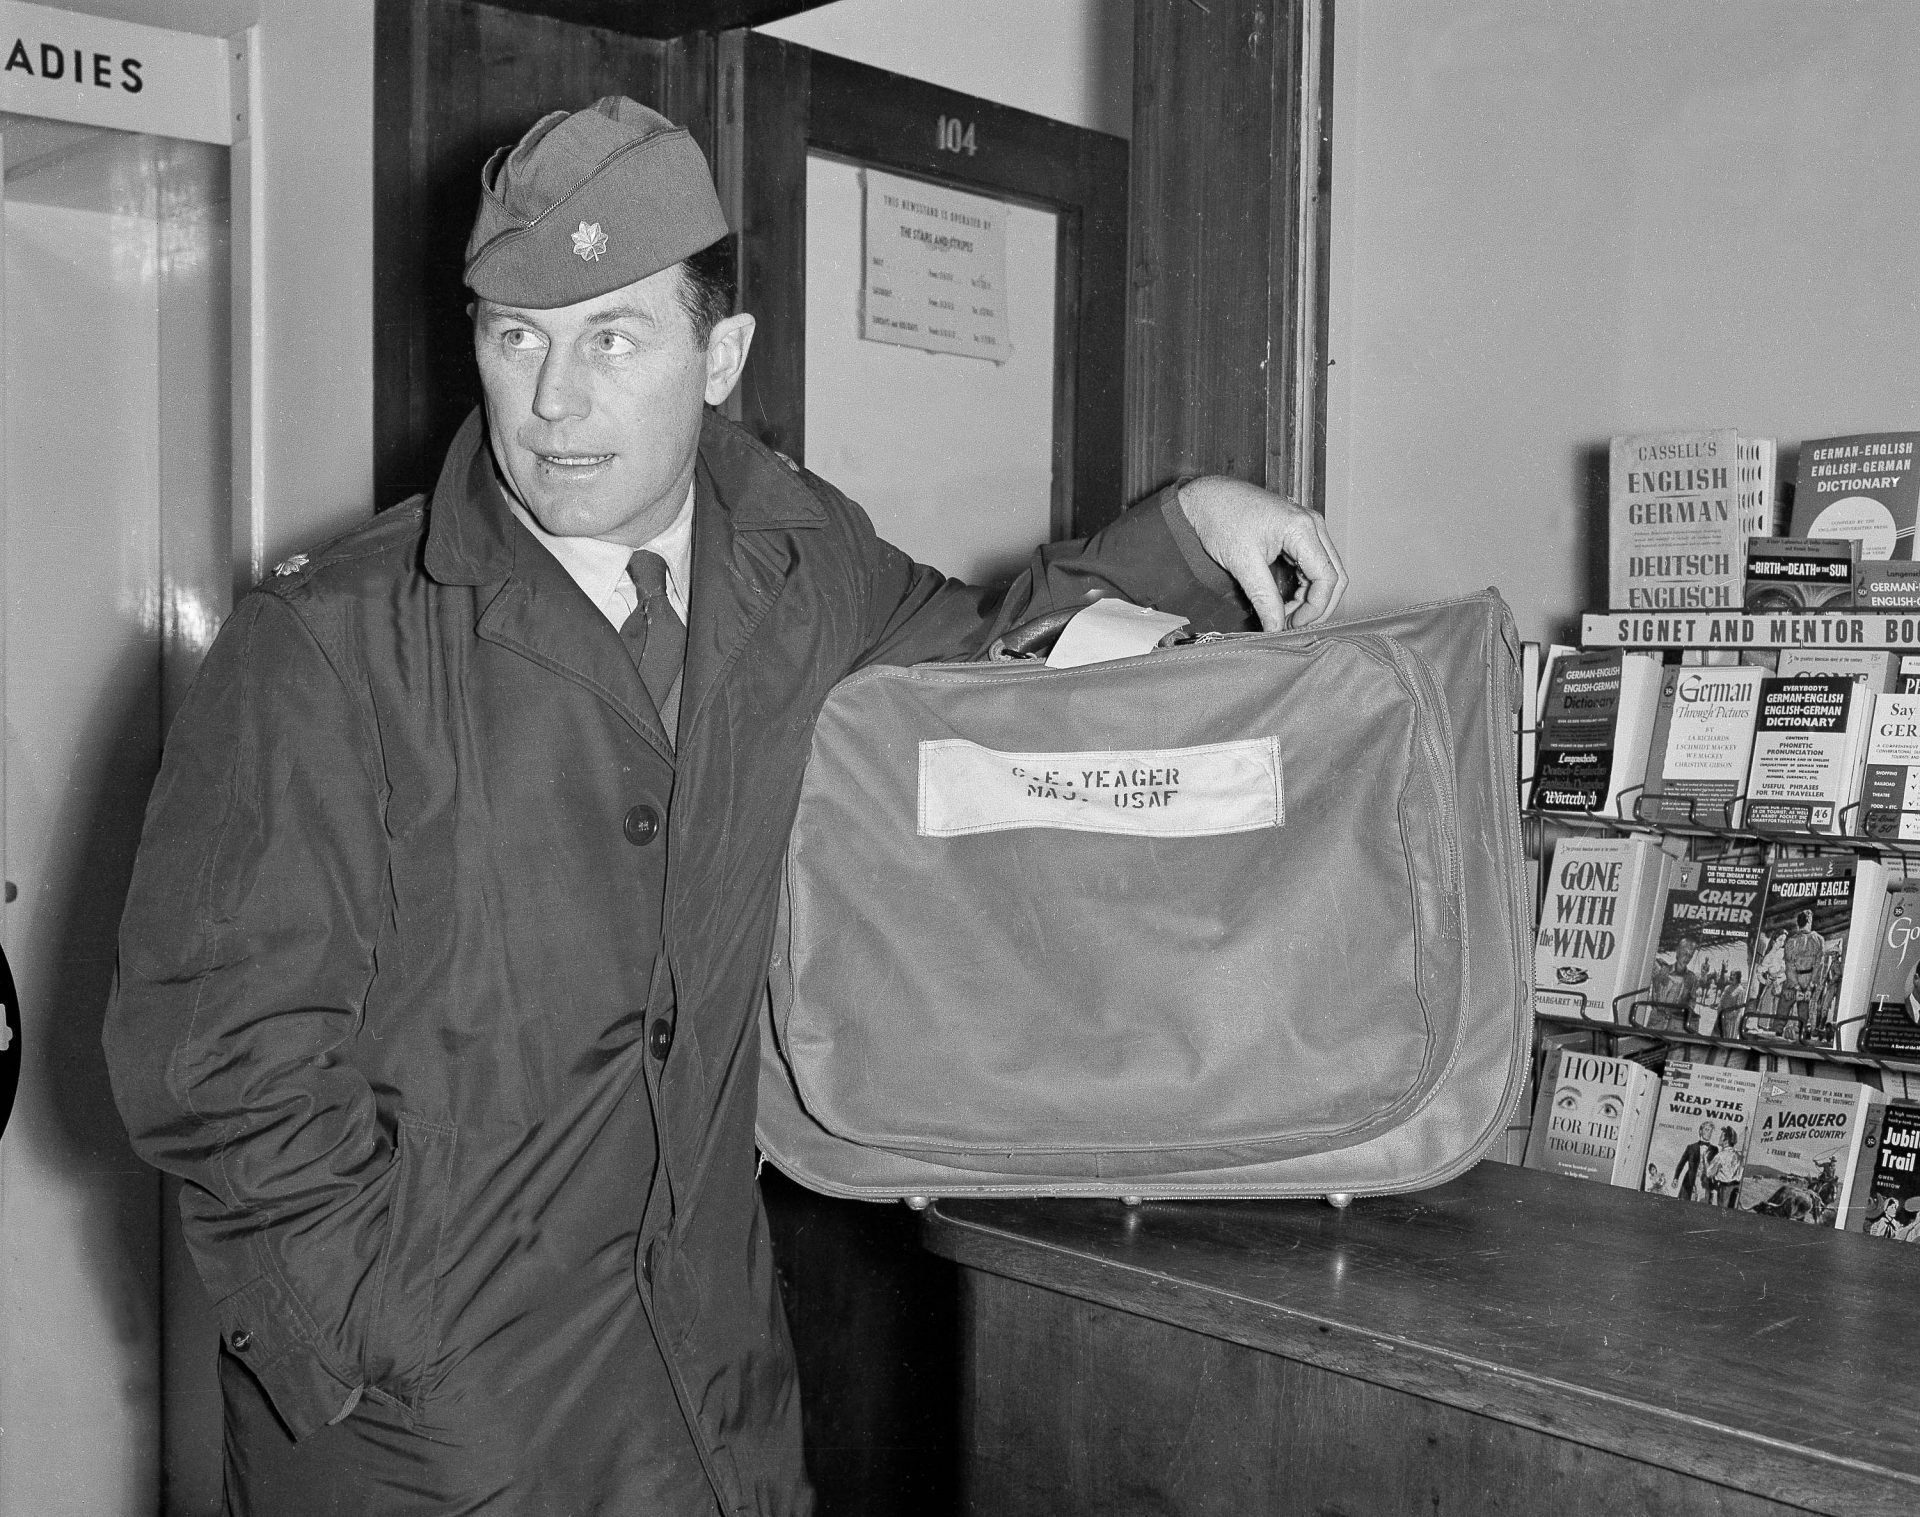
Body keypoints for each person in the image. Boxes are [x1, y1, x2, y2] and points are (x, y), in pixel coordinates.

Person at [101, 98, 1348, 1516]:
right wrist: (375, 1348)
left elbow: (978, 662)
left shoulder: (796, 557)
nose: (551, 400)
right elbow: (216, 1066)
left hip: (713, 1402)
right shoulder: (328, 647)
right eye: (515, 338)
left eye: (611, 338)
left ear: (722, 355)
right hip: (431, 1439)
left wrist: (1190, 526)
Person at [1671, 1119, 1717, 1202]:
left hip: (1705, 1183)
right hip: (1690, 1180)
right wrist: (1676, 1178)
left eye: (1710, 1131)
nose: (1709, 1133)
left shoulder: (1714, 1150)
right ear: (1700, 1131)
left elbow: (1715, 1168)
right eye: (1706, 1130)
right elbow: (1681, 1163)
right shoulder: (1691, 1147)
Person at [1705, 1123, 1744, 1207]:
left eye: (1721, 1136)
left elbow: (1709, 1174)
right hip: (1734, 1190)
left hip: (1723, 1190)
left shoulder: (1720, 1156)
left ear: (1726, 1140)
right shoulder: (1738, 1155)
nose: (1719, 1138)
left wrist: (1705, 1159)